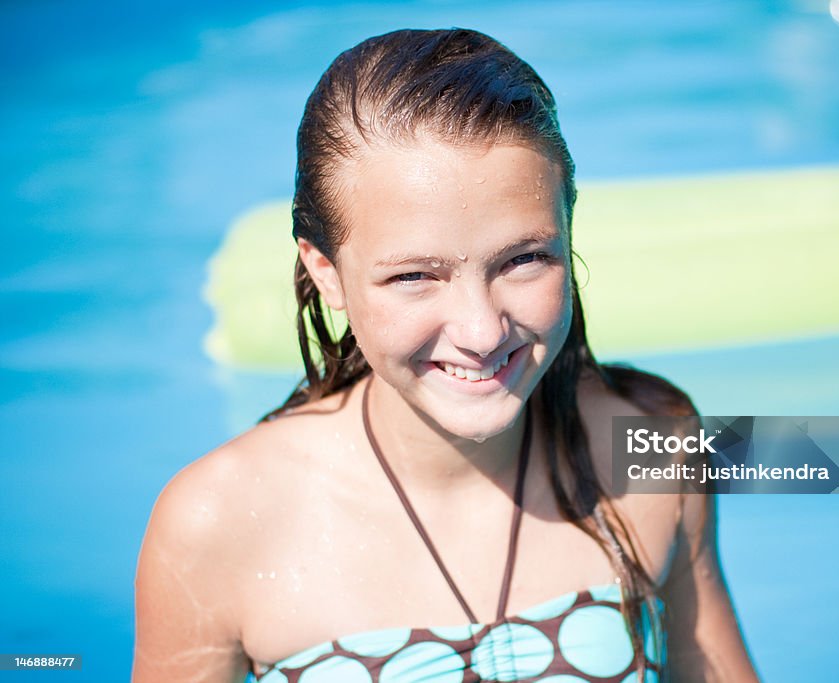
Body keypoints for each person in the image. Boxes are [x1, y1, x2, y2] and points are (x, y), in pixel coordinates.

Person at [133, 28, 759, 683]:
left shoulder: (651, 444)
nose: (482, 330)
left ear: (569, 230)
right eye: (414, 276)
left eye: (523, 259)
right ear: (325, 272)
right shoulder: (219, 523)